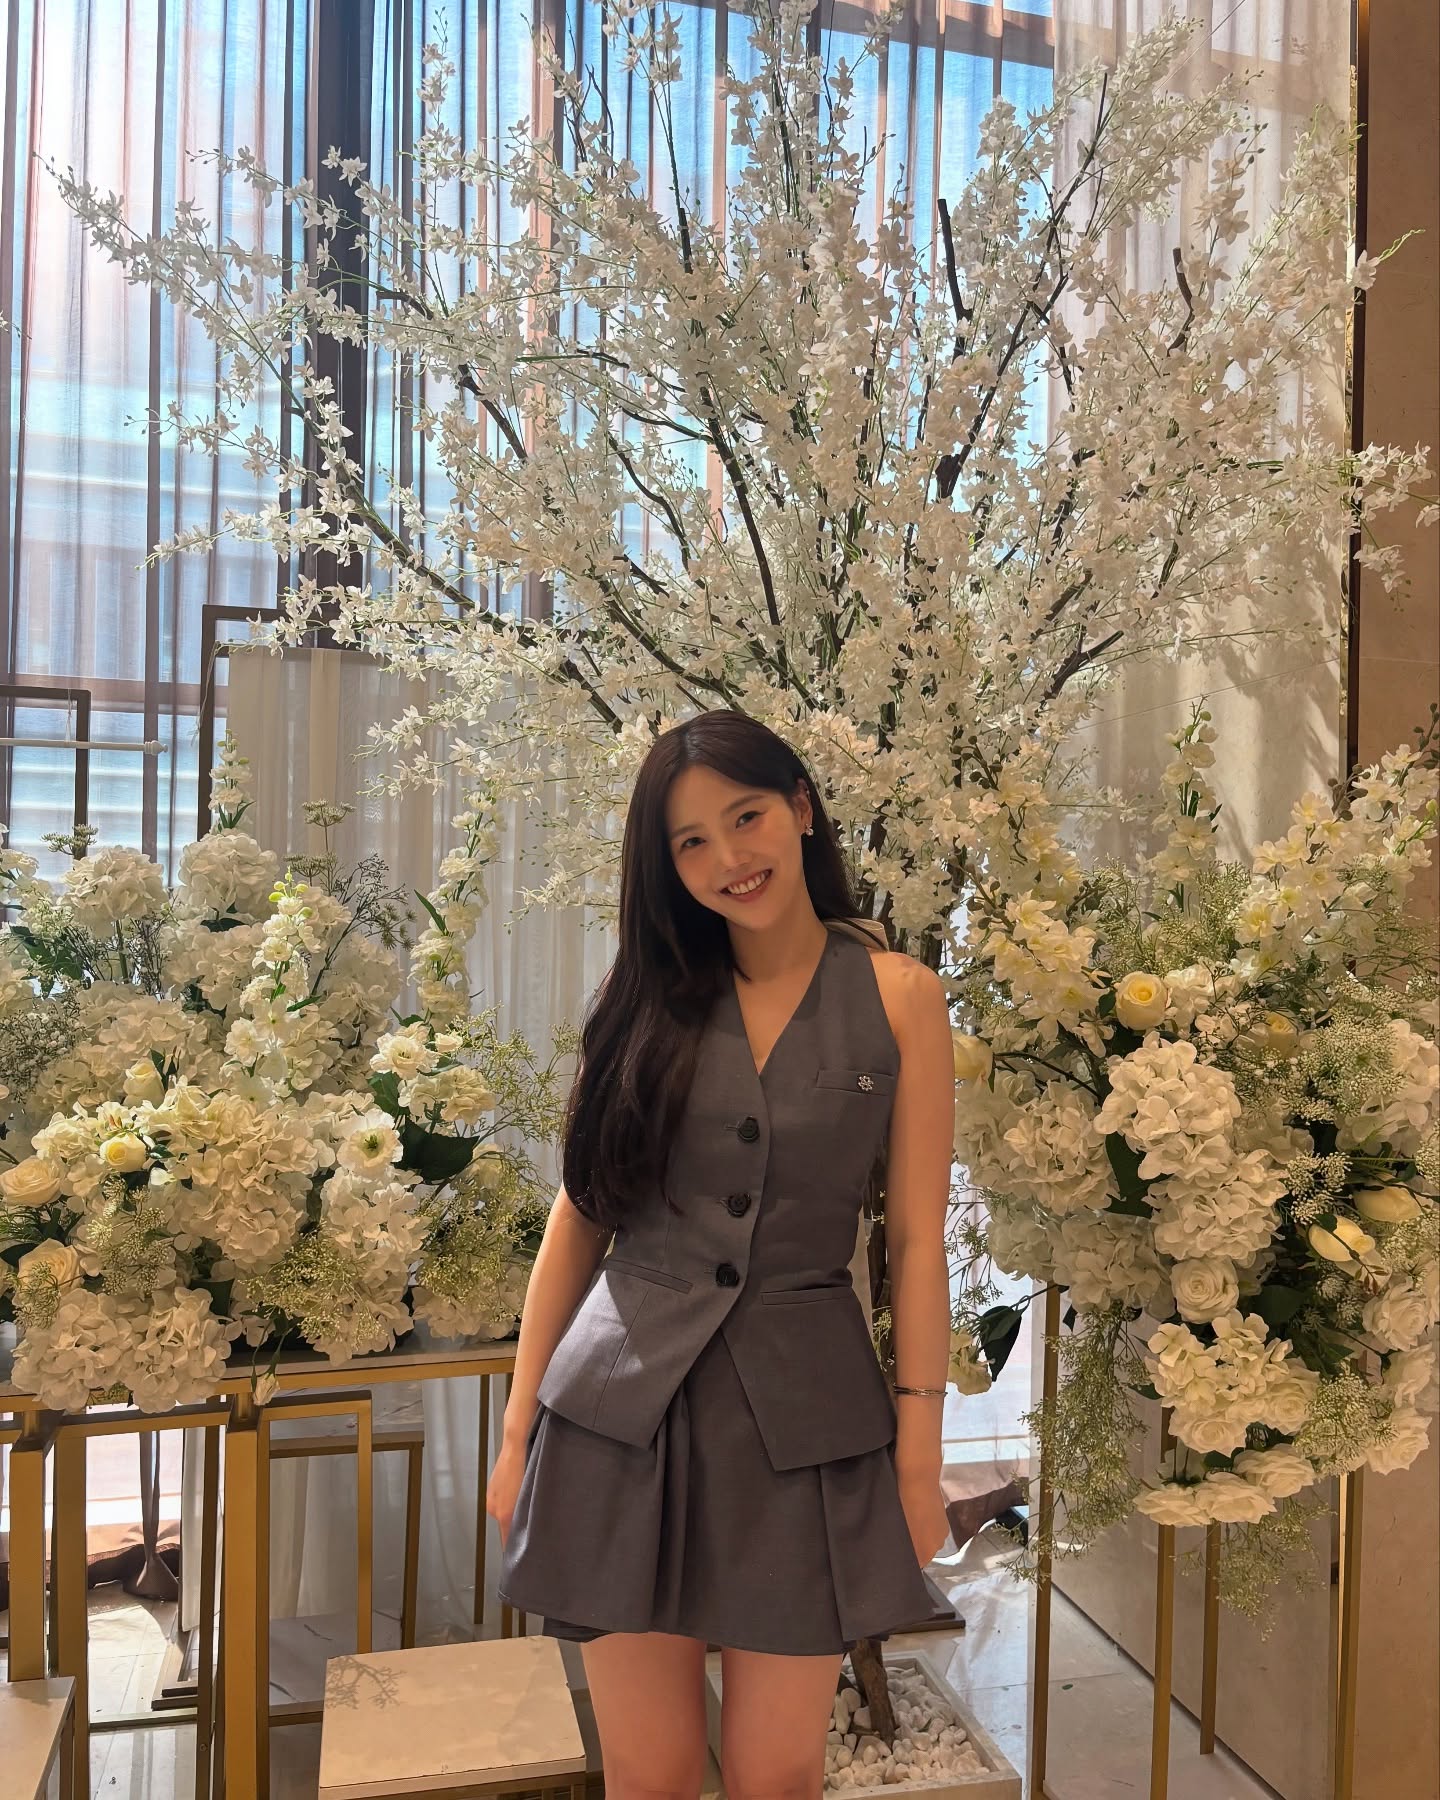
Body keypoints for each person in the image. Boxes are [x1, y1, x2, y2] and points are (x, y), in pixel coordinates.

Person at [488, 710, 955, 1799]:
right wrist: (517, 1433)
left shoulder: (899, 996)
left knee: (777, 1773)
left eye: (745, 819)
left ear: (801, 808)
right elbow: (580, 1218)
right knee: (647, 1775)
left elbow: (917, 1242)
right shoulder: (645, 999)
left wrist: (919, 1457)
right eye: (691, 842)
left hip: (806, 1429)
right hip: (618, 1424)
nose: (728, 858)